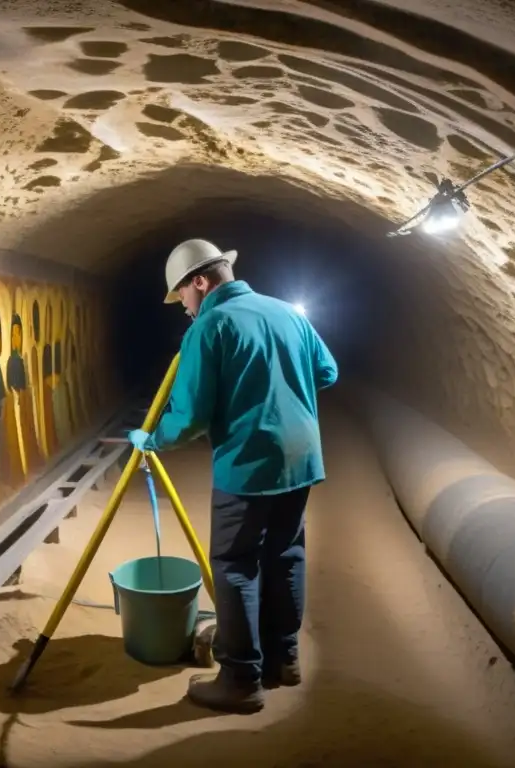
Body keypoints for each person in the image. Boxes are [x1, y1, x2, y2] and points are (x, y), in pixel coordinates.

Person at [128, 238, 338, 714]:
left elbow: (192, 415)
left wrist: (154, 438)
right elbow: (327, 372)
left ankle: (241, 677)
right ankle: (283, 660)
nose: (183, 307)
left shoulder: (210, 325)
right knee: (286, 554)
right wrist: (282, 389)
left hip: (248, 463)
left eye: (182, 295)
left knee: (236, 566)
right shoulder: (288, 312)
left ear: (199, 281)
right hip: (301, 459)